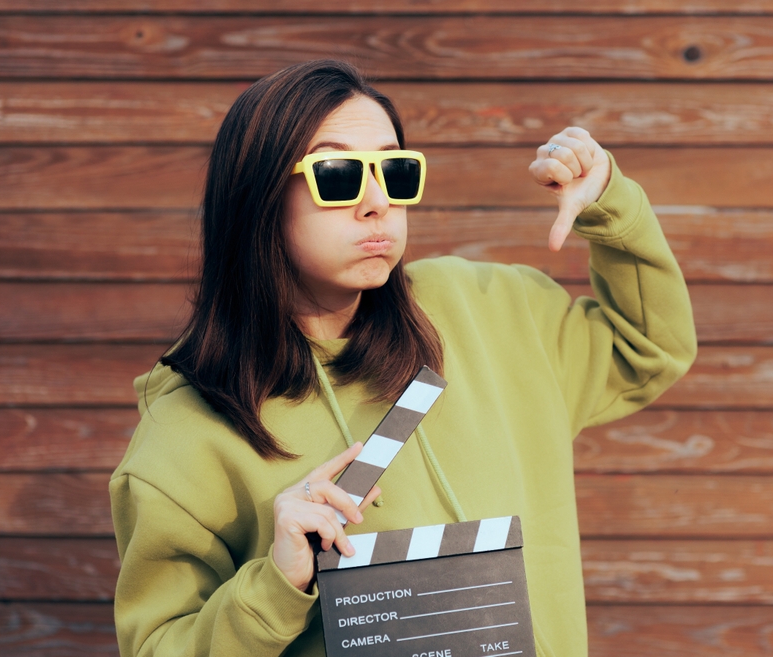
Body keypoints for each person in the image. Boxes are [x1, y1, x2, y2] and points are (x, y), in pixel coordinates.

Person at [110, 59, 696, 657]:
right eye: (336, 174)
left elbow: (648, 349)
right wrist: (276, 585)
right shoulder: (186, 432)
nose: (376, 203)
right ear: (257, 195)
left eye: (394, 170)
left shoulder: (492, 309)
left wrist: (611, 206)